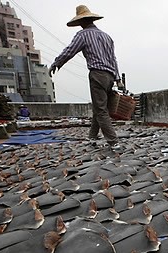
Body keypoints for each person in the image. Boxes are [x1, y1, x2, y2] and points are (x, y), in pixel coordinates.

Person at [48, 5, 124, 149]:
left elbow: (70, 51)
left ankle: (113, 142)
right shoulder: (107, 37)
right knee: (98, 106)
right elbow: (113, 59)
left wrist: (57, 63)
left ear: (81, 22)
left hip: (97, 74)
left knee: (101, 110)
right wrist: (118, 79)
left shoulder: (82, 35)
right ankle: (92, 137)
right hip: (110, 77)